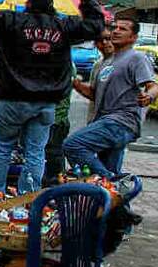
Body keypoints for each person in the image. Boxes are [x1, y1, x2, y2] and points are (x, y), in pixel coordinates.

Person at [0, 0, 103, 200]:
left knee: (1, 148)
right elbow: (95, 26)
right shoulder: (64, 25)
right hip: (46, 103)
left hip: (12, 99)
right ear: (51, 4)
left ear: (28, 2)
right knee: (36, 152)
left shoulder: (11, 21)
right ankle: (28, 197)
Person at [64, 16, 158, 178]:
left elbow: (153, 85)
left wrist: (148, 97)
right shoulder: (107, 62)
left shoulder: (137, 58)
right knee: (110, 169)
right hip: (105, 121)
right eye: (115, 28)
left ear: (133, 37)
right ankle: (115, 194)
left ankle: (111, 182)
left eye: (123, 29)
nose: (116, 31)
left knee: (73, 145)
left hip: (120, 122)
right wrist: (76, 85)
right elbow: (94, 94)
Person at [74, 27, 115, 123]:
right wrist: (77, 85)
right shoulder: (97, 65)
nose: (104, 42)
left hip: (114, 123)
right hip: (96, 121)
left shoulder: (124, 62)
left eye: (108, 38)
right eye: (100, 40)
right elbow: (94, 95)